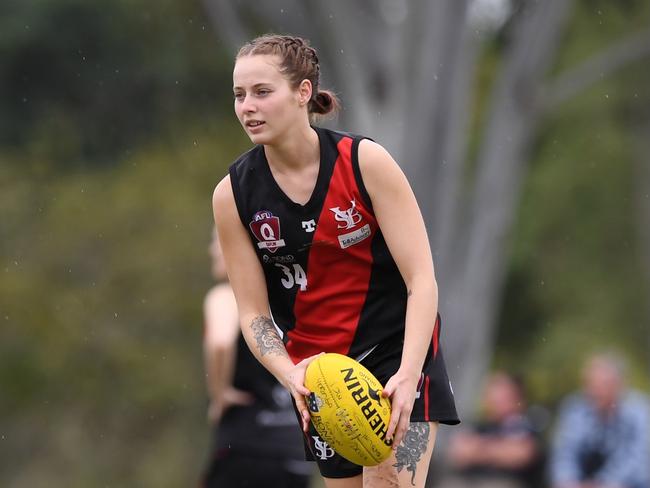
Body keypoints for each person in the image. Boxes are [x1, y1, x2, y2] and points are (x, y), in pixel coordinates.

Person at [212, 34, 459, 488]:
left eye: (263, 92)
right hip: (321, 376)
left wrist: (408, 375)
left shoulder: (365, 162)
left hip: (395, 359)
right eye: (239, 94)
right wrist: (291, 375)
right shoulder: (233, 195)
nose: (248, 106)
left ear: (303, 92)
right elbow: (252, 313)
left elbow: (421, 280)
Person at [201, 227, 313, 488]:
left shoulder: (227, 296)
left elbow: (220, 342)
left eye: (217, 241)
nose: (211, 250)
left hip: (246, 446)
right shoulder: (287, 303)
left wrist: (220, 392)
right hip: (294, 452)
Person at [550, 352, 650, 488]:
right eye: (590, 384)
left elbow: (638, 459)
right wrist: (568, 480)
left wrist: (603, 483)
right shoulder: (574, 408)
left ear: (619, 384)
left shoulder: (640, 410)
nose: (595, 391)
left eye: (603, 385)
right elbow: (565, 452)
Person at [441, 371, 545, 488]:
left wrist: (478, 449)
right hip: (468, 481)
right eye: (493, 394)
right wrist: (497, 449)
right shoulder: (477, 424)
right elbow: (458, 453)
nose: (495, 399)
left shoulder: (524, 425)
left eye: (503, 395)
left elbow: (521, 455)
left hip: (506, 482)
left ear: (517, 397)